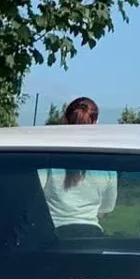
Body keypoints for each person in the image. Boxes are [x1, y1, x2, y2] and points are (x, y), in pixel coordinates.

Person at [39, 97, 117, 236]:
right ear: (95, 123)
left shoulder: (48, 160)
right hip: (92, 239)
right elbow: (106, 209)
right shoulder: (107, 166)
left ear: (64, 120)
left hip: (52, 239)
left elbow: (34, 197)